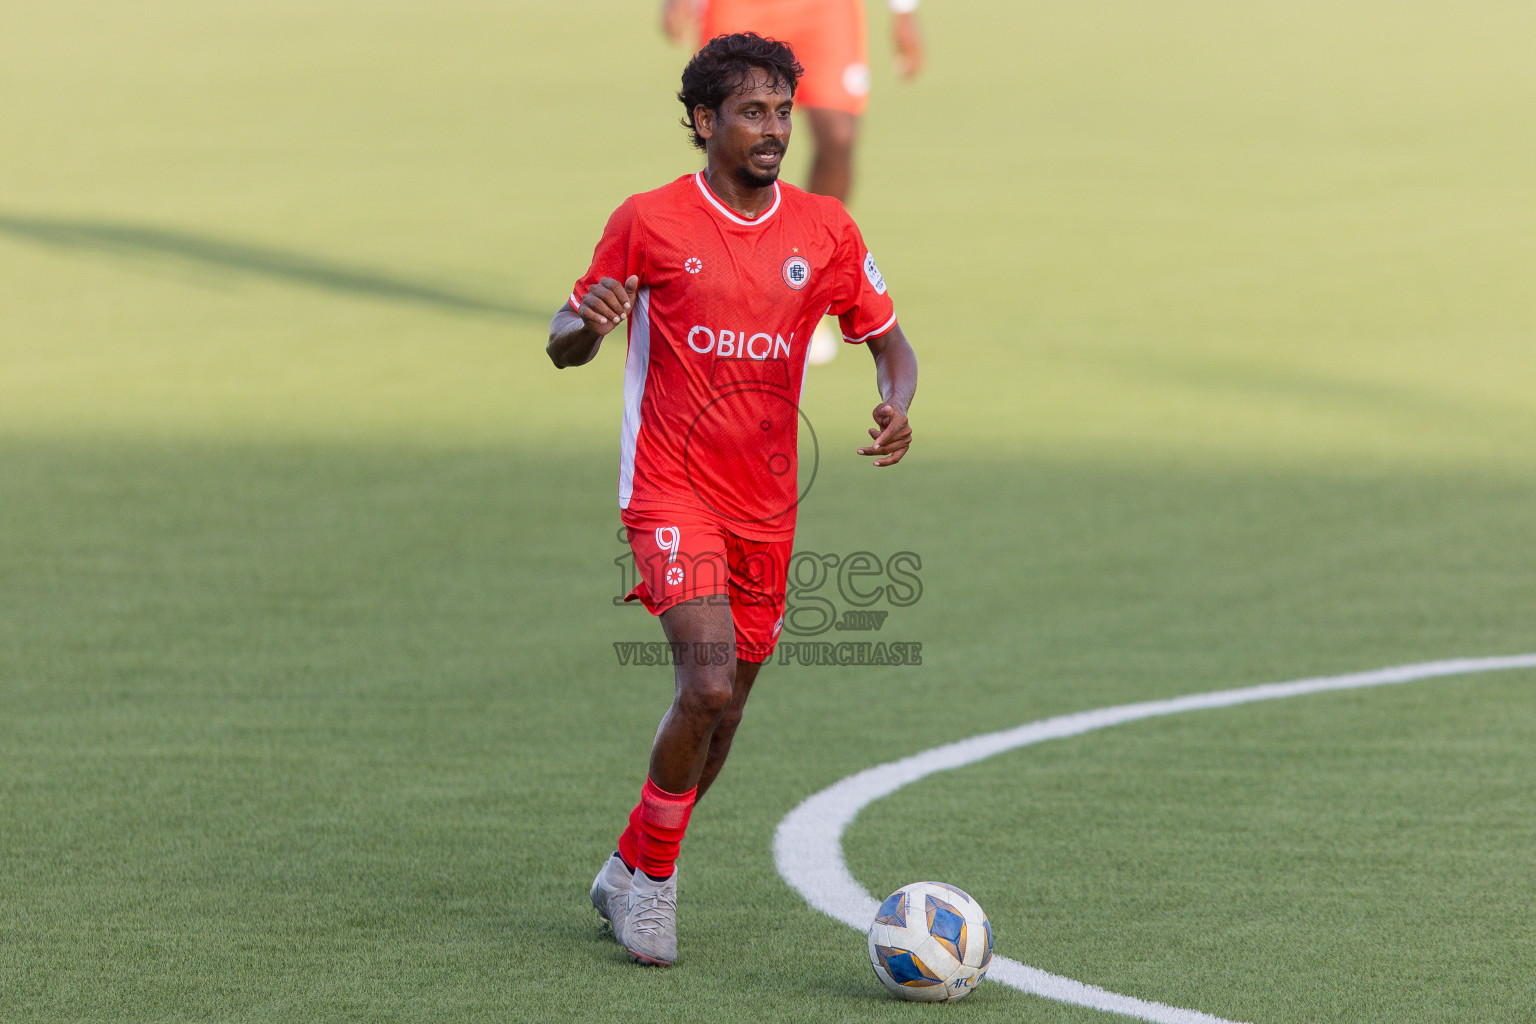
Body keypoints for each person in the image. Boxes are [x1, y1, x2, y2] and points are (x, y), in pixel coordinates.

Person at [546, 33, 918, 967]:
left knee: (731, 705)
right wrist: (584, 328)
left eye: (784, 111)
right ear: (705, 121)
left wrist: (896, 403)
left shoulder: (825, 230)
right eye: (753, 112)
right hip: (670, 489)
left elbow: (891, 343)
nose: (775, 129)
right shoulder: (650, 221)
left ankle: (630, 863)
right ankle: (657, 891)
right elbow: (564, 336)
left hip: (767, 505)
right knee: (705, 682)